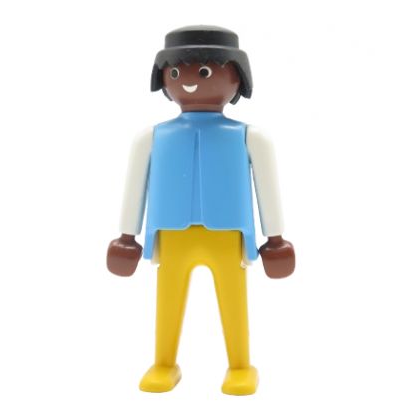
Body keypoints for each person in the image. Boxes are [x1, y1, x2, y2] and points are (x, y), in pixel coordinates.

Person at [107, 25, 295, 395]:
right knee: (168, 300)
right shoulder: (152, 137)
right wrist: (127, 236)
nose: (189, 81)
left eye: (205, 71)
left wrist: (275, 238)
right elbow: (134, 186)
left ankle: (240, 366)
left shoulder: (249, 137)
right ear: (164, 79)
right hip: (171, 233)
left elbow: (267, 187)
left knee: (233, 300)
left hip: (227, 233)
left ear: (236, 78)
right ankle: (164, 363)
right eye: (176, 72)